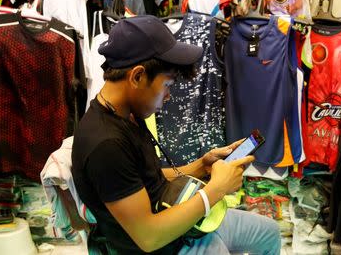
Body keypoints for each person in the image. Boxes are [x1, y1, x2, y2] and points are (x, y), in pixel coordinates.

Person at [71, 15, 281, 254]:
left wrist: (201, 165)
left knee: (269, 233)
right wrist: (215, 190)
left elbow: (144, 176)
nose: (168, 97)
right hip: (160, 244)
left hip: (177, 216)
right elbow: (148, 236)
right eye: (167, 86)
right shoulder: (105, 144)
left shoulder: (126, 114)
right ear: (138, 77)